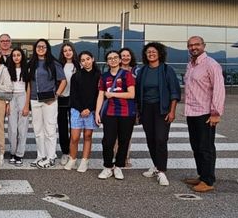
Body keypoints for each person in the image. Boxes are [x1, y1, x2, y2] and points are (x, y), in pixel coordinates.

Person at [183, 36, 225, 193]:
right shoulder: (191, 65)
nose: (193, 47)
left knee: (206, 147)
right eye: (190, 45)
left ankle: (208, 180)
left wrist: (216, 112)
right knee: (196, 146)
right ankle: (201, 175)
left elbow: (219, 89)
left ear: (203, 46)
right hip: (192, 112)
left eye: (196, 44)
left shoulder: (211, 65)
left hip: (205, 113)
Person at [136, 42, 181, 186]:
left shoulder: (167, 70)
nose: (151, 54)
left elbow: (174, 92)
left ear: (160, 53)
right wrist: (138, 111)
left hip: (162, 108)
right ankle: (156, 165)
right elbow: (138, 93)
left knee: (161, 139)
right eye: (148, 52)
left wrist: (172, 111)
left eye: (153, 52)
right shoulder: (142, 71)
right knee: (150, 139)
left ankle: (162, 171)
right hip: (146, 109)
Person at [95, 50, 136, 180]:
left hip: (126, 113)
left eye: (115, 58)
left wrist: (113, 94)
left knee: (124, 141)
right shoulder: (104, 76)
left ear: (119, 60)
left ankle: (118, 166)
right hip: (110, 113)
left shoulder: (127, 75)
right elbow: (101, 95)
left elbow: (131, 94)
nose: (112, 60)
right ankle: (107, 166)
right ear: (107, 61)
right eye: (109, 58)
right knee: (108, 141)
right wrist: (97, 112)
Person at [27, 39, 66, 168]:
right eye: (38, 46)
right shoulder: (31, 63)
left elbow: (63, 81)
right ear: (35, 48)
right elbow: (29, 83)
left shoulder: (54, 63)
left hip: (49, 100)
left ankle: (51, 157)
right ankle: (41, 156)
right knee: (38, 130)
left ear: (47, 48)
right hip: (34, 100)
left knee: (50, 129)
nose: (41, 48)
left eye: (43, 46)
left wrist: (56, 96)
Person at [65, 51, 100, 173]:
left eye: (88, 59)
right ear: (80, 62)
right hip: (76, 110)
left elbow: (98, 96)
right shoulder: (76, 76)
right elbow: (73, 95)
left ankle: (85, 160)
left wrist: (89, 109)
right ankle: (72, 159)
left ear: (93, 59)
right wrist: (81, 109)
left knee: (87, 136)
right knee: (74, 137)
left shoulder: (99, 75)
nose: (86, 62)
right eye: (83, 60)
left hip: (91, 110)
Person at [6, 48, 30, 167]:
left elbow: (29, 87)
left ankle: (19, 154)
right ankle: (12, 152)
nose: (16, 57)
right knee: (12, 128)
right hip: (11, 97)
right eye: (14, 55)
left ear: (22, 56)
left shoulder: (26, 69)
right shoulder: (8, 70)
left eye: (18, 55)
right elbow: (6, 87)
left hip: (23, 96)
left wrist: (27, 105)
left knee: (22, 128)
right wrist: (7, 103)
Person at [57, 42, 78, 166]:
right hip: (62, 99)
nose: (68, 52)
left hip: (74, 99)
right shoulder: (60, 65)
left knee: (74, 127)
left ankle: (72, 152)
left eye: (69, 49)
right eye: (65, 50)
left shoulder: (78, 65)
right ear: (62, 53)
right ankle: (65, 152)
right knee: (62, 127)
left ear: (73, 51)